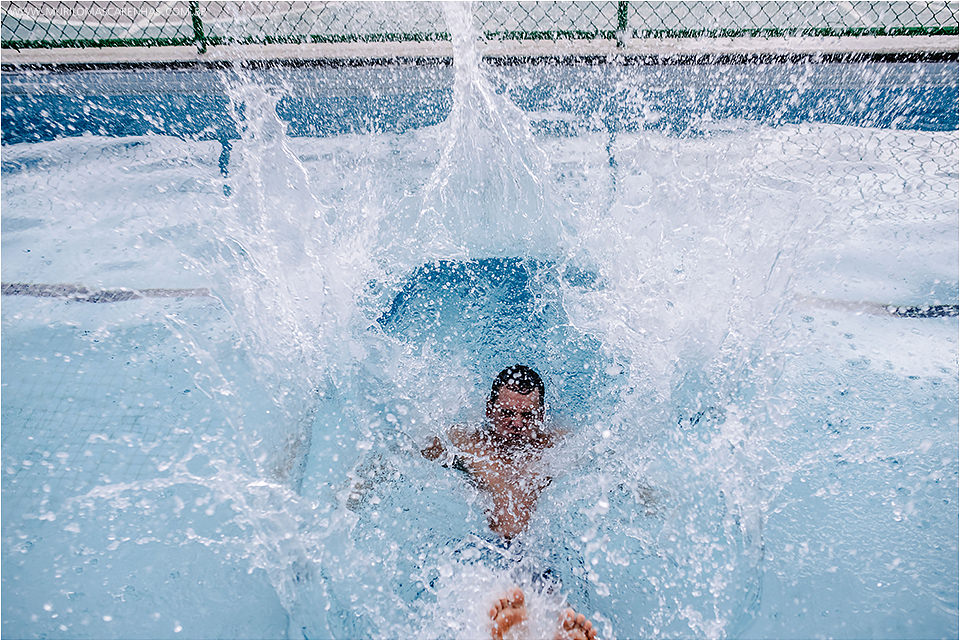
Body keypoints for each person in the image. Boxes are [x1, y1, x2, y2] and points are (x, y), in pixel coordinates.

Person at [422, 365, 598, 640]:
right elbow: (403, 450)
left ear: (540, 415)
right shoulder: (467, 444)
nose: (517, 423)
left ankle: (544, 633)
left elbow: (612, 463)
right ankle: (508, 628)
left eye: (526, 415)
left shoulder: (556, 445)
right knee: (488, 597)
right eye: (507, 413)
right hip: (488, 552)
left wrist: (648, 495)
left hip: (537, 555)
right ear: (490, 409)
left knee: (561, 610)